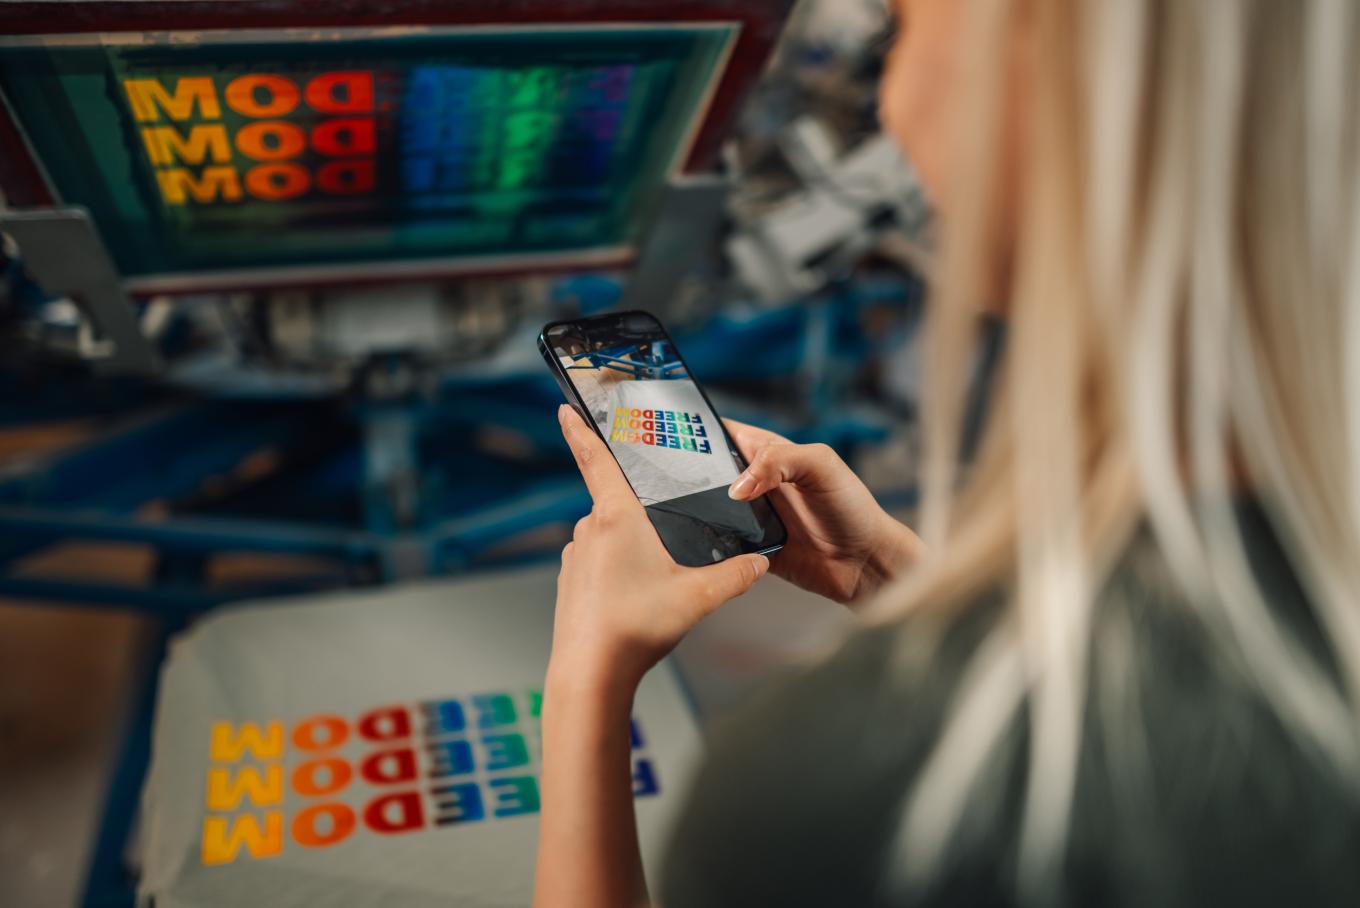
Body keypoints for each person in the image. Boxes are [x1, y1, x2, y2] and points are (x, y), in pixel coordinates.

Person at [533, 0, 1360, 905]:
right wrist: (891, 576)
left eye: (903, 27)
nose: (884, 99)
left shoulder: (865, 792)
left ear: (1046, 72)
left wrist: (587, 682)